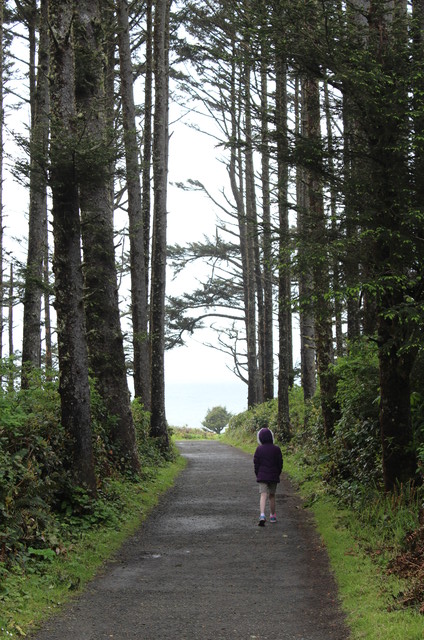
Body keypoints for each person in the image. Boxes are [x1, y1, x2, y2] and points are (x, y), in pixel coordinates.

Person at [253, 426, 283, 526]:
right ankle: (273, 515)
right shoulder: (276, 449)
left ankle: (262, 515)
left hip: (262, 476)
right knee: (272, 495)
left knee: (263, 495)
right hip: (274, 476)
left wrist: (258, 473)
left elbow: (256, 463)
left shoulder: (259, 449)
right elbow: (280, 463)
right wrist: (278, 473)